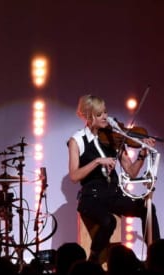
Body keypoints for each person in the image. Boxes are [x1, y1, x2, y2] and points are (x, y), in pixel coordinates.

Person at [68, 94, 159, 263]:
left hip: (113, 193)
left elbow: (131, 172)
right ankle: (93, 259)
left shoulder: (113, 138)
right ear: (89, 116)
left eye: (105, 112)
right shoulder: (77, 140)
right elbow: (74, 176)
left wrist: (142, 154)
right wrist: (97, 161)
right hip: (91, 196)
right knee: (108, 221)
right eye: (100, 114)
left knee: (147, 207)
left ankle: (156, 257)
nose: (105, 117)